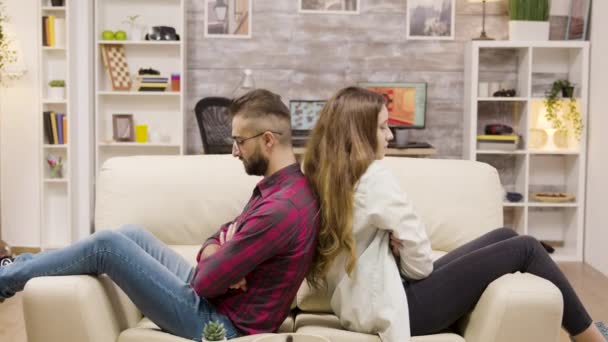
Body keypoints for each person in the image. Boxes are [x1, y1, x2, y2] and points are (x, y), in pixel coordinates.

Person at [0, 89, 320, 341]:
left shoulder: (281, 210)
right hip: (216, 300)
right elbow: (223, 232)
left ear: (267, 140)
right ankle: (16, 267)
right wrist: (217, 250)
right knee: (131, 233)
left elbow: (206, 281)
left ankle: (5, 278)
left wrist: (220, 258)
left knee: (108, 245)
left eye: (239, 141)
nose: (234, 151)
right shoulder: (280, 188)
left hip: (221, 324)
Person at [302, 86, 606, 342]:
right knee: (525, 247)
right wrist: (402, 250)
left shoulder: (329, 176)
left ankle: (572, 307)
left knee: (506, 236)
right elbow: (420, 268)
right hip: (401, 307)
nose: (391, 135)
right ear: (358, 133)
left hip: (360, 307)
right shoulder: (373, 177)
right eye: (382, 127)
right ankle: (592, 337)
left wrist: (395, 248)